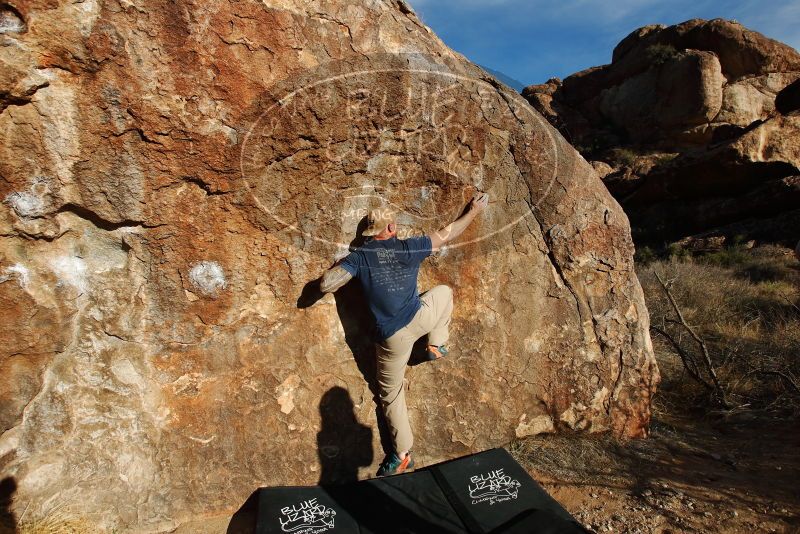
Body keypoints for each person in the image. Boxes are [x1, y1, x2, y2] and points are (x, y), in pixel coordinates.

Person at [319, 192, 490, 476]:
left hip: (392, 339)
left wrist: (341, 265)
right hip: (420, 318)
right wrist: (473, 211)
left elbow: (327, 285)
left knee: (391, 394)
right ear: (391, 229)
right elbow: (447, 234)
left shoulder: (360, 258)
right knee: (444, 292)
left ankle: (401, 453)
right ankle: (436, 344)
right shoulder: (409, 248)